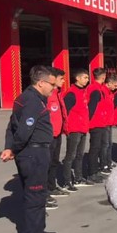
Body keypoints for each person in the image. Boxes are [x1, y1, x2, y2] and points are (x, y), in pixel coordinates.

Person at [1, 65, 59, 233]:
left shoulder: (25, 98)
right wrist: (14, 149)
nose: (54, 87)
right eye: (51, 83)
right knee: (35, 194)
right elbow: (24, 131)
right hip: (33, 153)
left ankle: (38, 229)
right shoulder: (33, 101)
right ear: (41, 83)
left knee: (39, 193)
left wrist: (9, 147)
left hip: (34, 152)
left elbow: (11, 126)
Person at [61, 69, 97, 188]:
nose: (87, 80)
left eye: (87, 78)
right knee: (70, 155)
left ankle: (78, 178)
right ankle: (67, 181)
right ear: (77, 78)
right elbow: (64, 111)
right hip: (74, 128)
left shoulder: (83, 92)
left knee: (80, 155)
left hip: (83, 127)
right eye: (85, 77)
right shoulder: (71, 93)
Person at [46, 67, 70, 199]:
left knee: (54, 161)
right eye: (61, 79)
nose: (63, 81)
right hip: (48, 135)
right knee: (46, 164)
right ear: (53, 79)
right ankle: (44, 192)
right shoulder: (47, 96)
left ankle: (51, 186)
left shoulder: (58, 93)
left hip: (58, 133)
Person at [86, 67, 109, 183]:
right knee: (95, 148)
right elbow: (92, 107)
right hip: (96, 122)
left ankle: (95, 171)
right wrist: (88, 121)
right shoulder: (95, 89)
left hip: (100, 121)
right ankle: (92, 173)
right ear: (103, 77)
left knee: (98, 147)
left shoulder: (98, 88)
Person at [101, 74, 117, 174]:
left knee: (109, 143)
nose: (116, 88)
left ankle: (108, 162)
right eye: (115, 86)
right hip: (103, 122)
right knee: (105, 144)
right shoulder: (103, 92)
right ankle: (104, 164)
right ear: (109, 84)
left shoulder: (110, 93)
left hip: (109, 122)